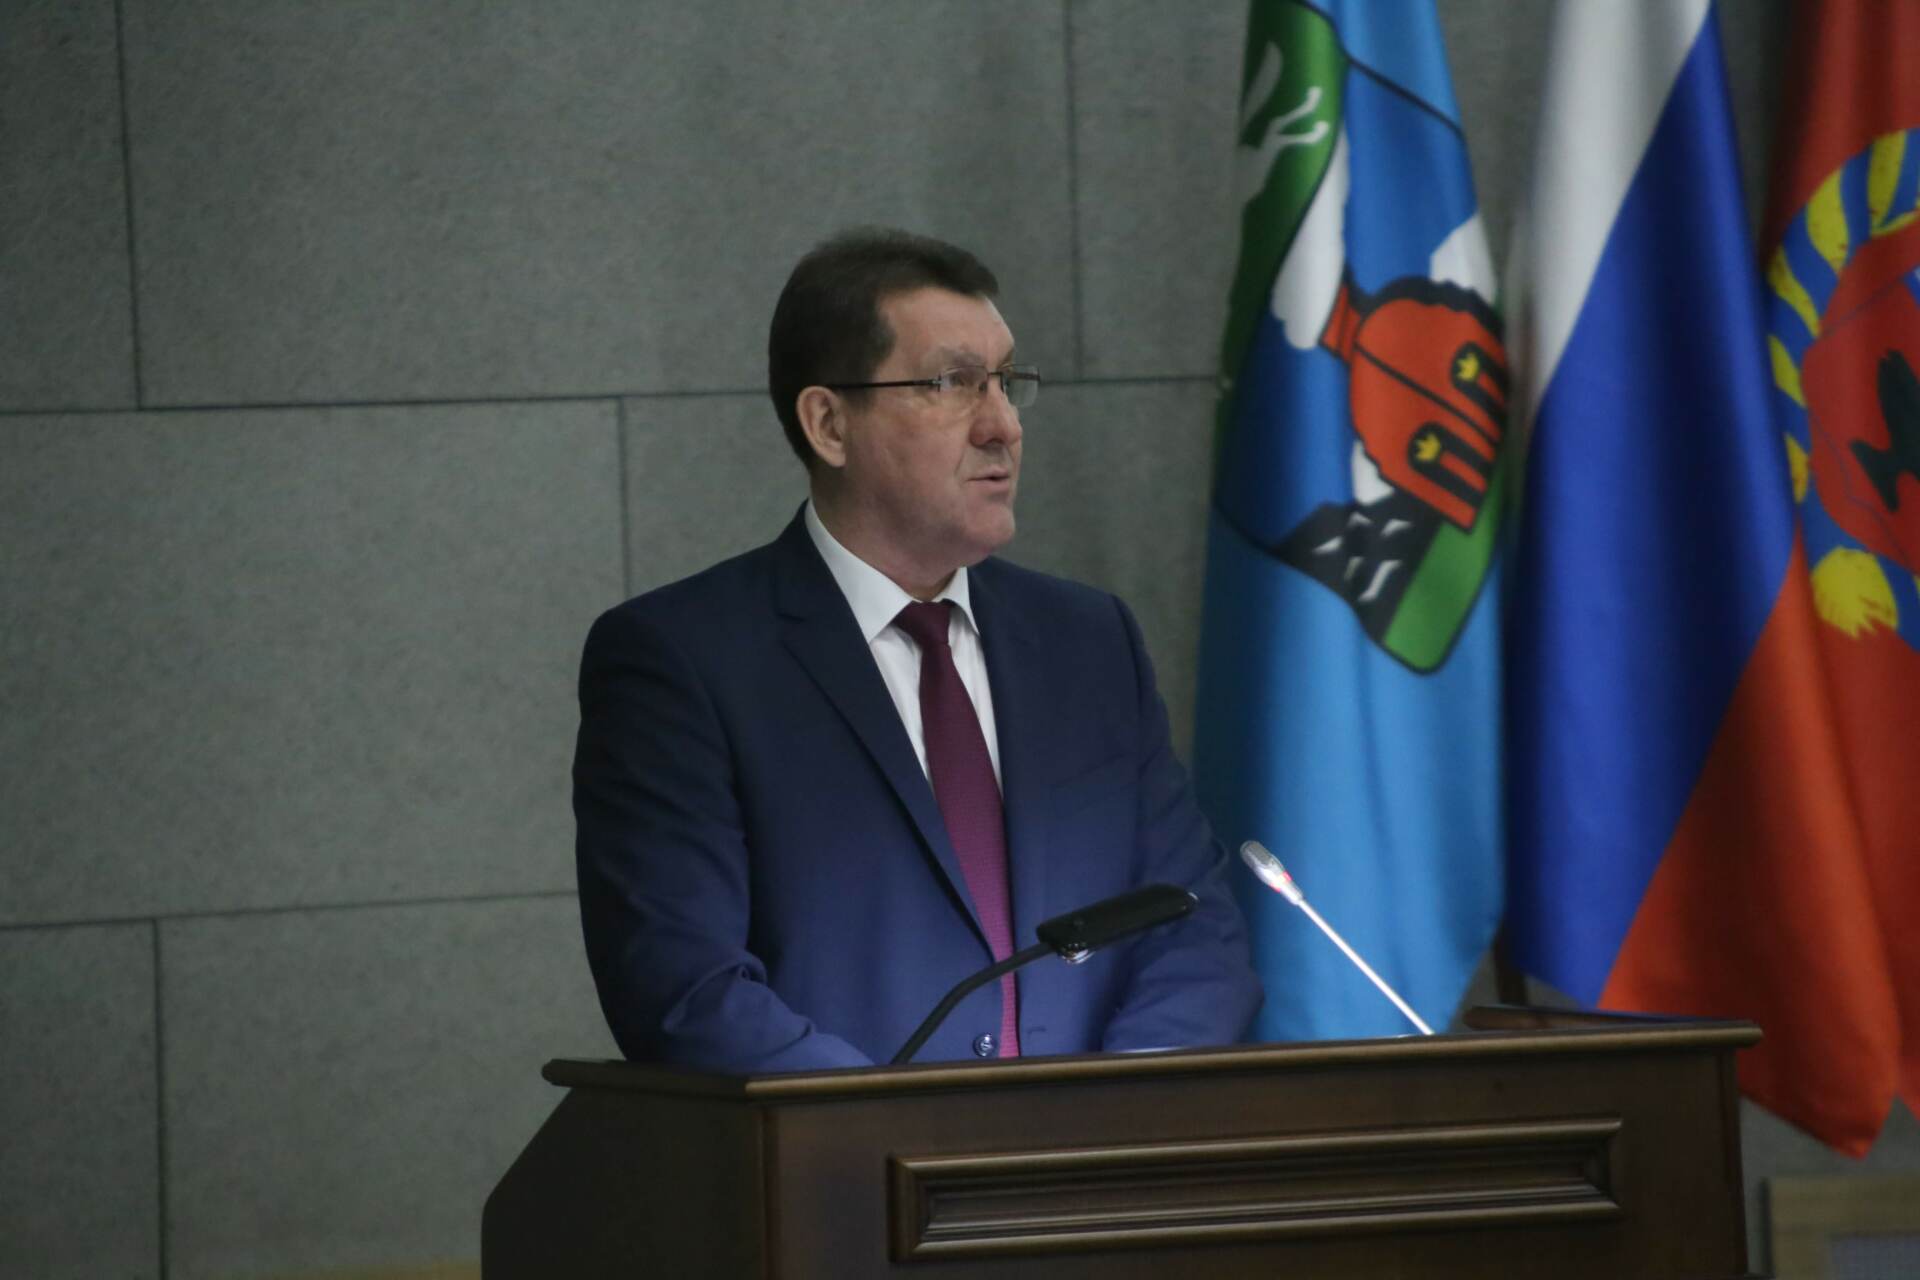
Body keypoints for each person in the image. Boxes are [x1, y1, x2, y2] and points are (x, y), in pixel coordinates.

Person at [573, 228, 1260, 1072]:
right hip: (843, 1155)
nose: (1002, 425)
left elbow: (1194, 929)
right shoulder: (681, 661)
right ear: (829, 424)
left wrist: (1106, 1116)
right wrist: (906, 1132)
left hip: (1097, 1152)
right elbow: (686, 990)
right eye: (951, 384)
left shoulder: (1089, 642)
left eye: (1006, 381)